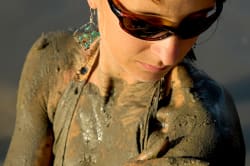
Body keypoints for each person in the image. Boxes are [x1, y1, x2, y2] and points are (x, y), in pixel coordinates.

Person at [4, 0, 245, 165]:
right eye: (143, 24)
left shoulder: (199, 125)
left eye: (195, 22)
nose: (169, 54)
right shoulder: (53, 64)